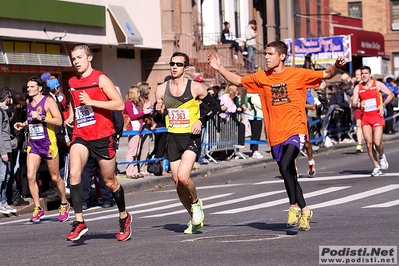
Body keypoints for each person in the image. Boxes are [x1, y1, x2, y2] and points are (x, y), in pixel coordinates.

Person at [208, 40, 346, 231]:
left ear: (282, 56)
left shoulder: (297, 74)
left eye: (270, 54)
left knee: (286, 164)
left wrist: (337, 65)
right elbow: (238, 81)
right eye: (265, 54)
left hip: (295, 129)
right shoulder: (262, 77)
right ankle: (305, 210)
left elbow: (326, 74)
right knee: (287, 173)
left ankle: (293, 207)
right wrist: (220, 67)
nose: (266, 57)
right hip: (274, 133)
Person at [64, 43, 130, 241]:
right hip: (81, 135)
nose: (76, 62)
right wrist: (70, 116)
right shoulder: (72, 81)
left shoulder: (100, 78)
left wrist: (92, 102)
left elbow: (119, 104)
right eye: (73, 58)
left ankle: (124, 217)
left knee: (109, 181)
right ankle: (79, 221)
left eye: (79, 58)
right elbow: (74, 103)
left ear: (89, 58)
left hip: (102, 136)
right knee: (74, 173)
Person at [154, 52, 220, 234]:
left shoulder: (196, 88)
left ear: (186, 68)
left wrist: (201, 121)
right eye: (172, 63)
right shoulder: (161, 89)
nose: (174, 67)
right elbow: (157, 116)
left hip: (191, 137)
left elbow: (215, 107)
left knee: (184, 177)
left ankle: (196, 202)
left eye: (179, 64)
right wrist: (159, 111)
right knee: (177, 182)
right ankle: (193, 218)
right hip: (173, 138)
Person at [14, 76, 69, 223]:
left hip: (48, 143)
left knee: (55, 177)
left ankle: (64, 203)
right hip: (34, 144)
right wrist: (23, 124)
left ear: (39, 88)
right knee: (31, 176)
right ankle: (38, 208)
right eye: (28, 87)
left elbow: (59, 121)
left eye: (32, 87)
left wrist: (42, 117)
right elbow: (32, 119)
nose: (29, 89)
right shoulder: (28, 102)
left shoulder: (48, 101)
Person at [351, 66, 394, 177]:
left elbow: (391, 94)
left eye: (366, 73)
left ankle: (382, 155)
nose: (364, 75)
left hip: (377, 116)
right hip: (365, 117)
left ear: (370, 74)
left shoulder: (377, 84)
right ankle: (376, 166)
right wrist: (359, 104)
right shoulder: (358, 88)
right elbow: (353, 103)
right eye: (362, 73)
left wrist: (382, 105)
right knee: (369, 144)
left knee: (377, 142)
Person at [124, 85, 152, 179]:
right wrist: (144, 112)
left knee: (136, 151)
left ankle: (135, 170)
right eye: (138, 92)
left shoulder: (138, 103)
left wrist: (146, 110)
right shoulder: (128, 103)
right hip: (133, 129)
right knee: (132, 151)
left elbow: (141, 114)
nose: (139, 93)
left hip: (139, 129)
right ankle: (129, 171)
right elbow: (132, 116)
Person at [0, 87, 17, 215]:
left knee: (6, 177)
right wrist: (3, 152)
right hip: (3, 149)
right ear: (7, 98)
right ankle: (1, 202)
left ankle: (4, 202)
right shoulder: (0, 112)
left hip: (7, 146)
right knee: (2, 177)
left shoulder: (4, 111)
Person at [246, 92, 264, 158]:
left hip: (256, 116)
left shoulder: (251, 96)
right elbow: (262, 105)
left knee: (255, 134)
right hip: (256, 117)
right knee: (256, 135)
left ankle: (254, 150)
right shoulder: (254, 96)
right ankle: (255, 151)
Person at [352, 68, 364, 152]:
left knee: (367, 126)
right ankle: (359, 144)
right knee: (358, 124)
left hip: (367, 108)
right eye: (355, 74)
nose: (356, 76)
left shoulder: (367, 84)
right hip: (357, 108)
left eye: (358, 74)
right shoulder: (355, 86)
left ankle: (372, 142)